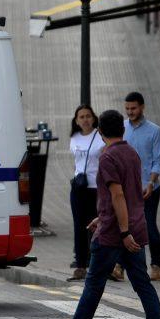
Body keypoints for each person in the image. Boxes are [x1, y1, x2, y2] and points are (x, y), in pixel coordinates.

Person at [42, 110, 160, 319]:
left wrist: (120, 231)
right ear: (122, 130)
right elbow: (129, 194)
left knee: (94, 283)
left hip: (114, 234)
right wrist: (103, 217)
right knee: (142, 283)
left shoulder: (108, 157)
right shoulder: (131, 153)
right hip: (133, 226)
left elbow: (118, 195)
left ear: (100, 132)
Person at [117, 92, 160, 281]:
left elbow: (158, 161)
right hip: (127, 189)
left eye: (134, 108)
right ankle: (120, 266)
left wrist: (151, 183)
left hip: (149, 188)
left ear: (142, 107)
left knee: (149, 225)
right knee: (124, 226)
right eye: (127, 108)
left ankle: (156, 266)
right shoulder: (122, 128)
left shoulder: (154, 131)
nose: (130, 112)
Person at [68, 104, 104, 281]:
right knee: (79, 226)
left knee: (97, 227)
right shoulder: (74, 137)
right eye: (81, 117)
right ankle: (80, 264)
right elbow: (76, 162)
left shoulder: (100, 136)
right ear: (76, 120)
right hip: (79, 188)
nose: (85, 120)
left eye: (88, 116)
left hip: (96, 188)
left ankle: (98, 264)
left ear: (94, 118)